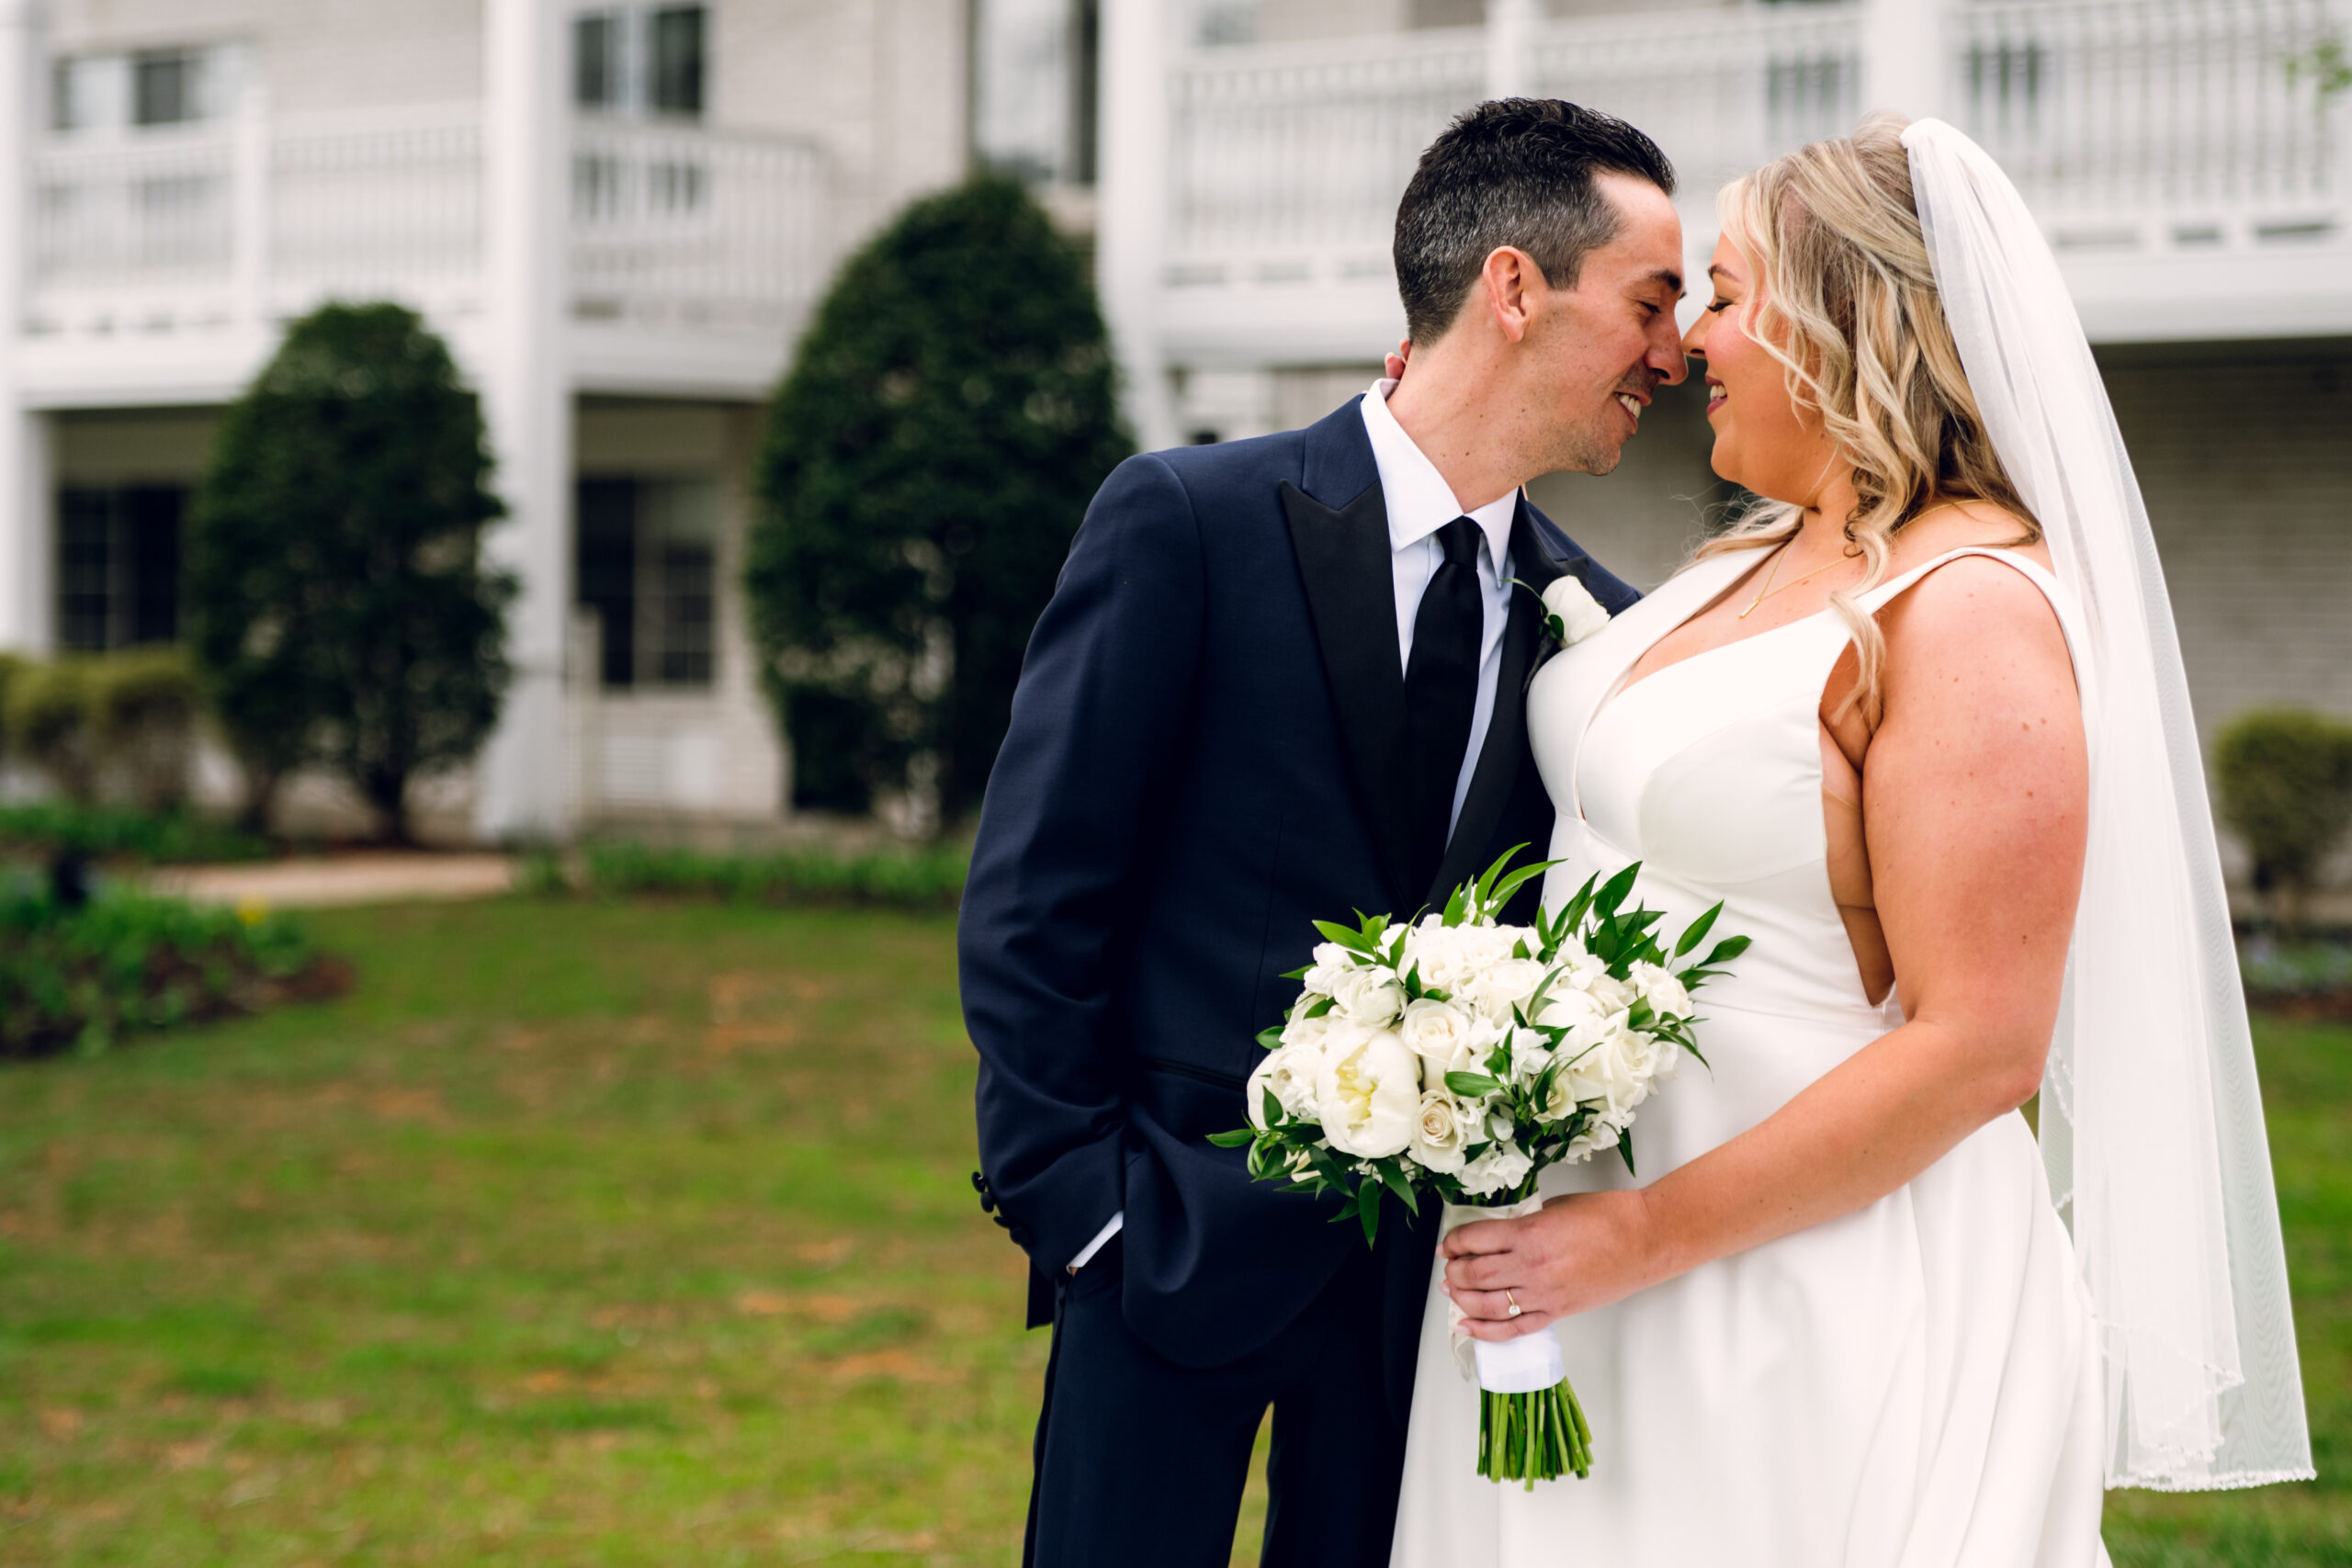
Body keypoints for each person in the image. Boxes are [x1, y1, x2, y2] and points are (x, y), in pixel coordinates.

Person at [1389, 115, 2311, 1566]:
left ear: (1848, 320)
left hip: (1806, 1290)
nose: (1690, 341)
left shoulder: (1974, 611)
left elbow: (1979, 1045)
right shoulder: (1757, 552)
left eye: (1733, 294)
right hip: (1583, 1259)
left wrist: (1629, 1241)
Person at [959, 100, 1687, 1568]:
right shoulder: (1189, 519)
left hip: (1417, 1304)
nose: (1673, 356)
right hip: (1165, 1242)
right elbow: (1038, 893)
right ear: (1513, 286)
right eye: (1652, 302)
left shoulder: (1595, 621)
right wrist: (1085, 1217)